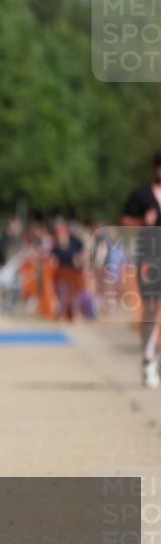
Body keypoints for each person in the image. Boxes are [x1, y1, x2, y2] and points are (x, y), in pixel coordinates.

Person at [121, 151, 161, 388]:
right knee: (152, 307)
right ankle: (148, 359)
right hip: (149, 257)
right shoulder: (141, 195)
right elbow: (124, 223)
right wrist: (143, 222)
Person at [49, 219, 86, 321]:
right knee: (62, 293)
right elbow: (53, 258)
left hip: (74, 272)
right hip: (62, 272)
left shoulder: (75, 241)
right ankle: (62, 313)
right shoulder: (56, 245)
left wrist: (79, 259)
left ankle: (74, 314)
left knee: (74, 294)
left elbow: (83, 252)